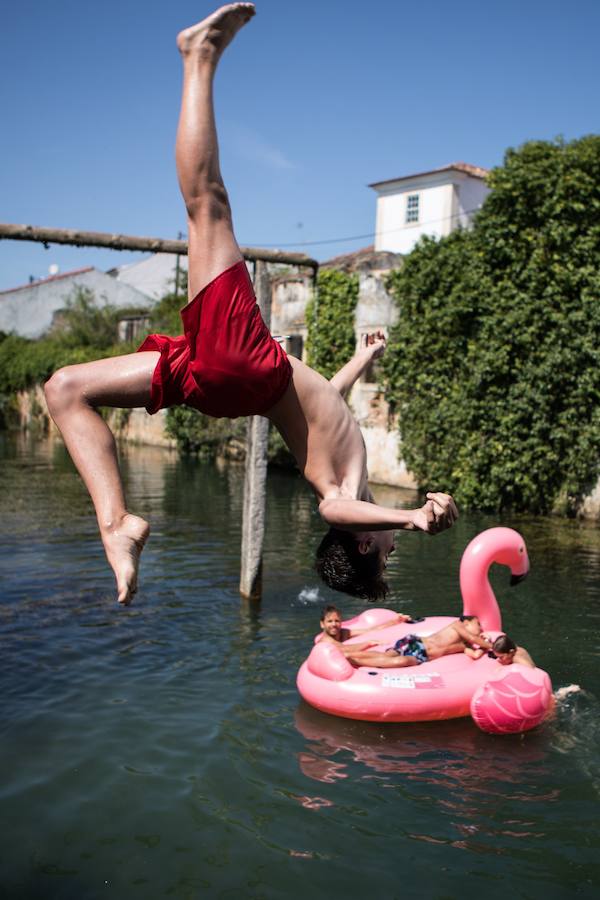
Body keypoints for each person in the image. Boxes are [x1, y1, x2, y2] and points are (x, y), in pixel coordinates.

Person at [43, 3, 458, 606]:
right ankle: (116, 523)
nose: (393, 545)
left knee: (207, 204)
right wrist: (361, 361)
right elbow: (322, 403)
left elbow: (333, 508)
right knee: (65, 388)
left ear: (366, 541)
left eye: (386, 552)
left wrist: (410, 518)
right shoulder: (350, 466)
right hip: (236, 385)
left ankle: (199, 57)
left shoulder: (347, 497)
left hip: (247, 371)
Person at [342, 615, 494, 668]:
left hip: (422, 655)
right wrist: (491, 645)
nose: (481, 629)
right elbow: (473, 638)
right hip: (416, 642)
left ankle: (354, 659)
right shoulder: (457, 625)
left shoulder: (464, 645)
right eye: (478, 624)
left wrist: (482, 648)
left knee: (399, 661)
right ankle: (349, 655)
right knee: (389, 656)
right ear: (466, 622)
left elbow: (475, 655)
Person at [319, 604, 415, 657]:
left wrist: (396, 621)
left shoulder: (343, 632)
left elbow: (370, 631)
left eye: (337, 621)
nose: (334, 624)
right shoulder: (325, 641)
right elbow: (344, 649)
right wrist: (369, 643)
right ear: (322, 624)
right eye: (329, 621)